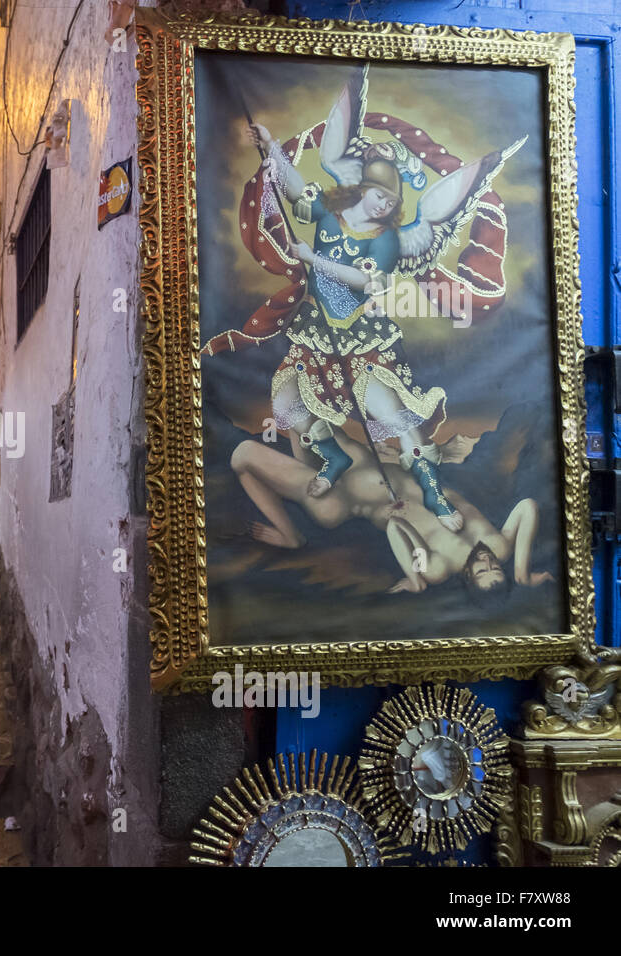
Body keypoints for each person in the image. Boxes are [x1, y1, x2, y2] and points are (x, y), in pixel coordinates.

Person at [203, 65, 524, 535]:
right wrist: (271, 146)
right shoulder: (330, 211)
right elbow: (293, 187)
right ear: (361, 187)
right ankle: (330, 458)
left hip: (359, 338)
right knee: (290, 400)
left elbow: (360, 276)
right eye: (377, 195)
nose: (382, 206)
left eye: (390, 202)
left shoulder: (391, 239)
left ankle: (433, 494)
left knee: (391, 416)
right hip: (316, 329)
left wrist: (315, 260)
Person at [229, 433, 554, 601]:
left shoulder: (439, 568)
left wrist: (414, 579)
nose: (487, 562)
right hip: (372, 467)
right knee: (307, 413)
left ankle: (290, 536)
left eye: (482, 571)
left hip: (346, 498)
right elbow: (527, 506)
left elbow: (396, 528)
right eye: (495, 568)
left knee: (244, 454)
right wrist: (522, 573)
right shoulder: (500, 546)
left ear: (469, 578)